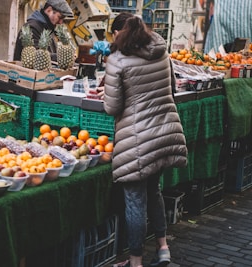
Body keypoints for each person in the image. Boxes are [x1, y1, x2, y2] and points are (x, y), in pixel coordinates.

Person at [103, 13, 188, 267]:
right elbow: (171, 86)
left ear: (119, 33)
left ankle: (136, 261)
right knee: (154, 191)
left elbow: (112, 106)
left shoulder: (117, 60)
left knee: (135, 200)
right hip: (164, 132)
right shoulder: (161, 51)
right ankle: (163, 248)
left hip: (138, 139)